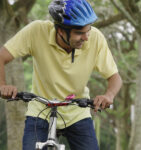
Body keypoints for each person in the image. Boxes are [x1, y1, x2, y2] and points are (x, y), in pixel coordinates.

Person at [0, 0, 122, 149]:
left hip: (78, 112)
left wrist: (108, 96)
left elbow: (115, 77)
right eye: (79, 33)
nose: (86, 37)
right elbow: (2, 57)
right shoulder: (36, 31)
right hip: (40, 110)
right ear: (60, 31)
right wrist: (2, 85)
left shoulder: (95, 38)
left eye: (88, 30)